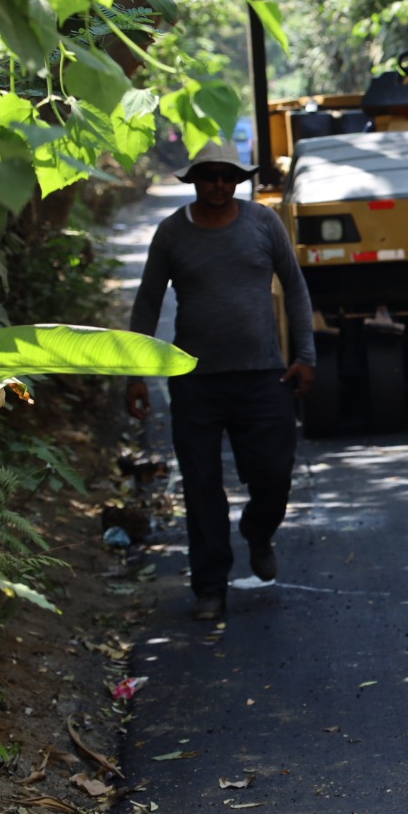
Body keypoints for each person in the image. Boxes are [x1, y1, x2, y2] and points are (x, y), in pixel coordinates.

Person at [127, 141, 316, 622]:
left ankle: (258, 530)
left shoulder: (263, 224)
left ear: (238, 180)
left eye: (227, 176)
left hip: (262, 374)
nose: (218, 184)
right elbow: (148, 302)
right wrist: (135, 373)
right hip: (195, 382)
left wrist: (305, 355)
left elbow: (294, 286)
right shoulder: (172, 233)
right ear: (195, 180)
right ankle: (210, 587)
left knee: (275, 471)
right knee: (202, 485)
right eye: (209, 175)